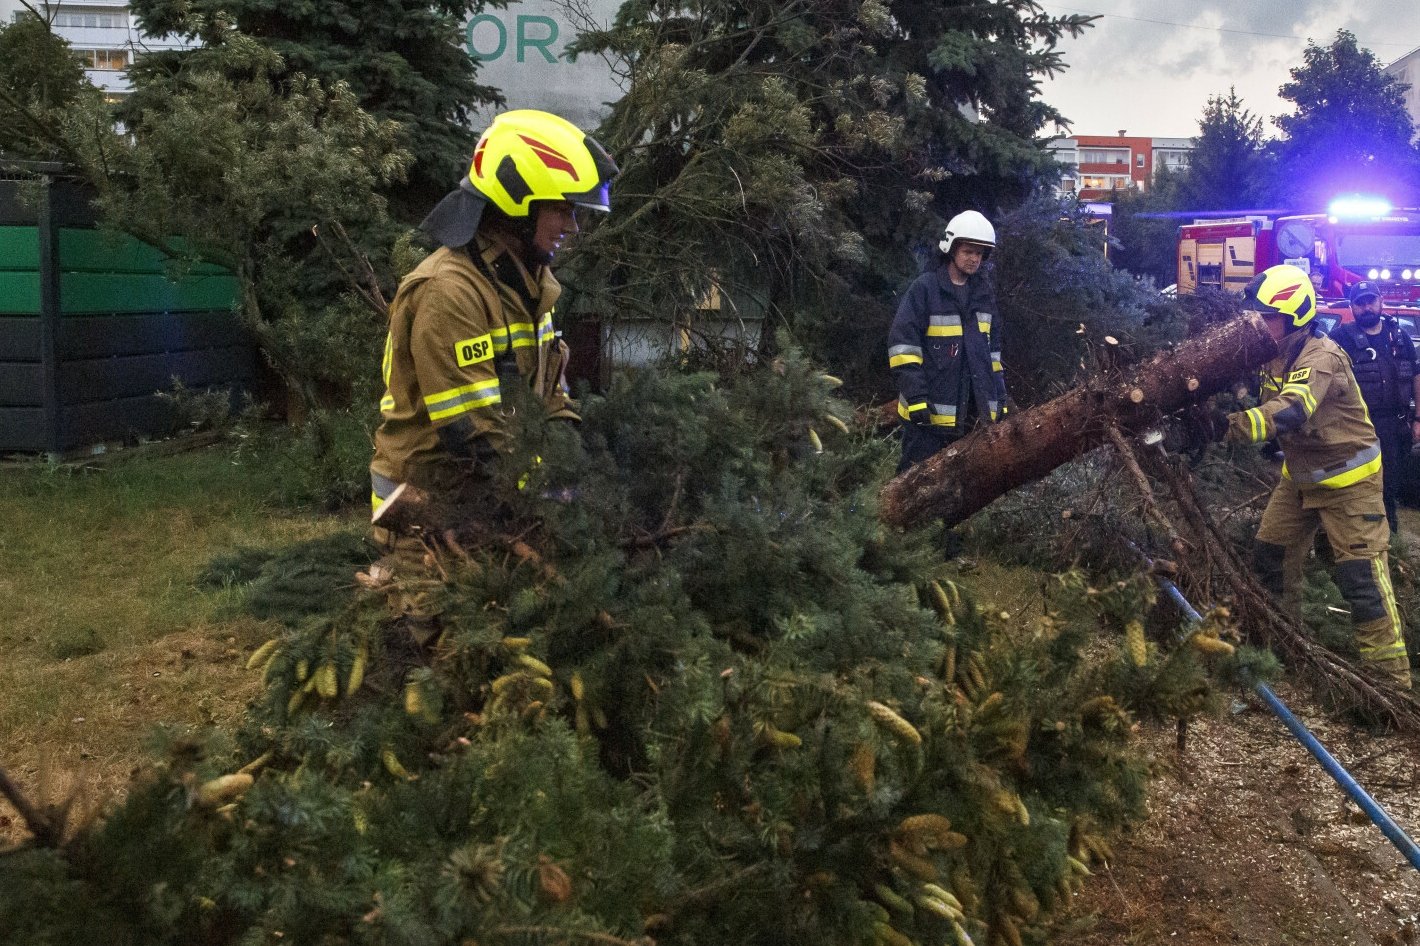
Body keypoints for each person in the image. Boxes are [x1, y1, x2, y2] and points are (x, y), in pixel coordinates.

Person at [367, 109, 618, 637]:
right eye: (564, 211)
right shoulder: (449, 292)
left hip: (489, 494)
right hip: (427, 509)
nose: (573, 227)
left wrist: (581, 468)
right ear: (516, 205)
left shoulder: (527, 285)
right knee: (434, 652)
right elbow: (473, 434)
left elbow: (551, 397)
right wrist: (551, 497)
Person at [1222, 264, 1411, 689]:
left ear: (1294, 317)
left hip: (1350, 485)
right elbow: (1250, 392)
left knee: (1362, 580)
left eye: (1267, 316)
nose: (1259, 324)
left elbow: (1291, 410)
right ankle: (1280, 657)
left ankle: (1390, 686)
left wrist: (1228, 426)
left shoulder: (1320, 356)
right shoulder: (1273, 350)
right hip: (1300, 479)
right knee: (1270, 558)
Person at [887, 210, 1009, 473]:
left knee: (957, 495)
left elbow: (993, 358)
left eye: (980, 253)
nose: (974, 258)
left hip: (970, 420)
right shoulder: (926, 290)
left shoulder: (983, 295)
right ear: (951, 248)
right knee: (912, 487)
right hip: (926, 419)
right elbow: (903, 347)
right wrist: (916, 396)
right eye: (968, 251)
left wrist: (999, 398)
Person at [1327, 280, 1420, 533]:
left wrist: (1418, 419)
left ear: (1380, 302)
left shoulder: (1399, 338)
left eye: (1371, 301)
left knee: (1389, 488)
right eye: (1360, 303)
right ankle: (1357, 539)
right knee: (1357, 487)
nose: (1366, 307)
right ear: (1352, 307)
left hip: (1395, 426)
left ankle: (1390, 540)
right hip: (1356, 427)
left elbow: (1415, 376)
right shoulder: (1340, 338)